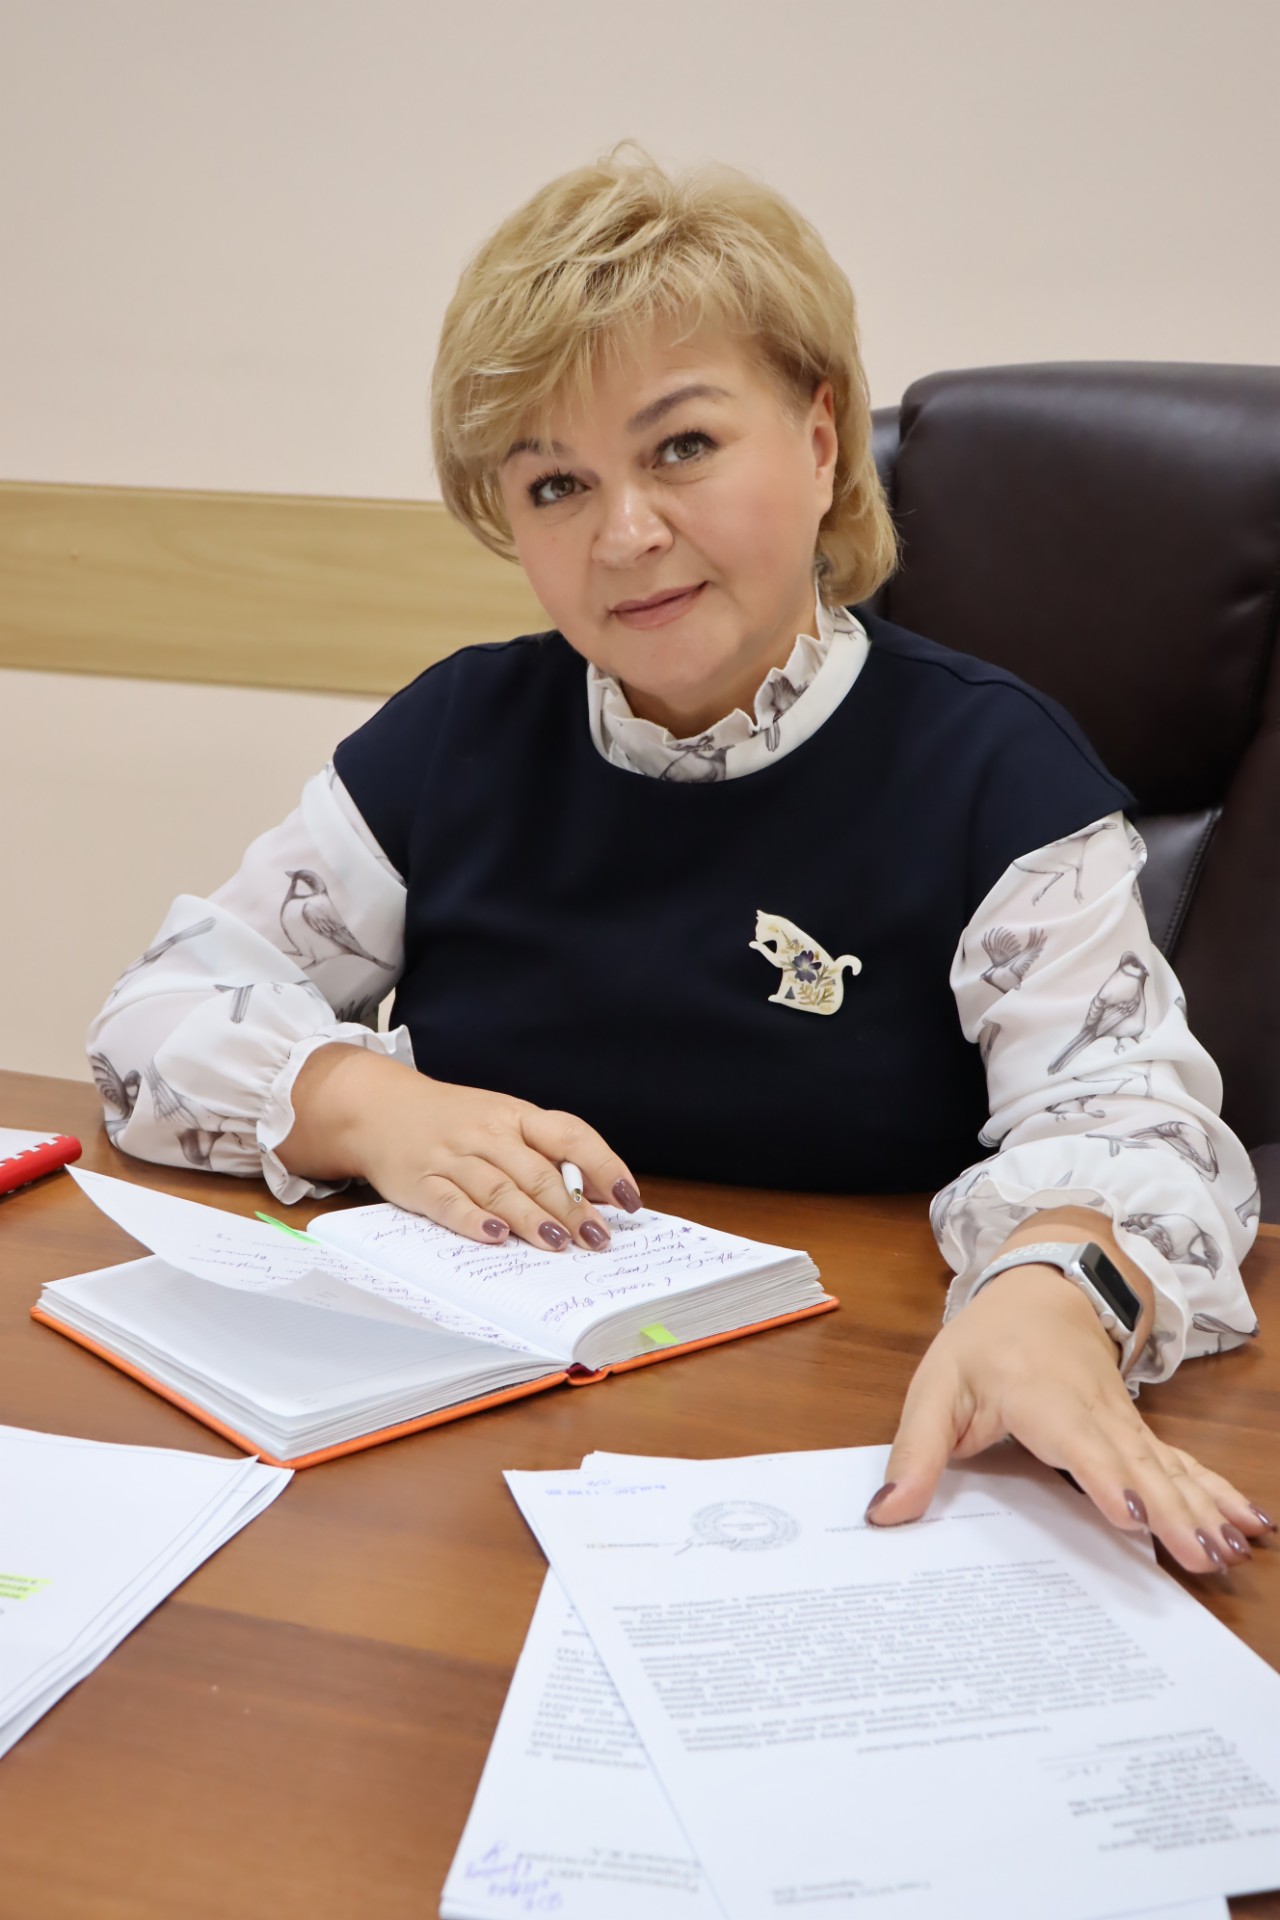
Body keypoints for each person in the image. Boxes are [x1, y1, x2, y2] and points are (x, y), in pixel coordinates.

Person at [87, 145, 1270, 1574]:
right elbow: (154, 1017)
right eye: (555, 483)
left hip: (857, 1461)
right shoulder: (455, 737)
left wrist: (1053, 1292)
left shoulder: (993, 774)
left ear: (821, 442)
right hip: (470, 1462)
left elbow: (1138, 1129)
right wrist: (361, 1104)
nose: (627, 534)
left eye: (683, 448)